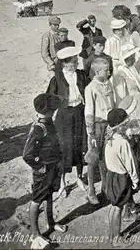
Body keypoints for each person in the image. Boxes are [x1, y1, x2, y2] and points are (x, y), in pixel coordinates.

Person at [22, 93, 67, 248]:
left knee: (49, 196)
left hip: (53, 167)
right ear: (48, 111)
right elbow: (27, 155)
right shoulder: (38, 128)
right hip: (43, 171)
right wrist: (40, 167)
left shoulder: (48, 123)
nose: (54, 113)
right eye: (53, 111)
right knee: (37, 200)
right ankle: (35, 235)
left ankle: (51, 223)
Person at [46, 46, 89, 197]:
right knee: (65, 148)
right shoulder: (57, 79)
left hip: (80, 113)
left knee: (80, 145)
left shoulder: (82, 75)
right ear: (65, 63)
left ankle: (79, 177)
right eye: (73, 62)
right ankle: (63, 181)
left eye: (77, 61)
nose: (76, 64)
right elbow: (49, 99)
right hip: (64, 117)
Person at [104, 108, 139, 247]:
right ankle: (117, 239)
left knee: (114, 206)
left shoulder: (109, 139)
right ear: (121, 126)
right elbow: (130, 164)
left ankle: (112, 234)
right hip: (121, 178)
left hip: (111, 176)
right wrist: (135, 180)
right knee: (119, 208)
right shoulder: (123, 143)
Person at [84, 58, 115, 205]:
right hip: (97, 126)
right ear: (97, 71)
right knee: (94, 158)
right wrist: (91, 133)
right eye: (106, 70)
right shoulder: (91, 88)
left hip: (108, 124)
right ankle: (91, 190)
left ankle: (105, 188)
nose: (109, 72)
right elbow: (89, 111)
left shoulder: (108, 83)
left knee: (106, 157)